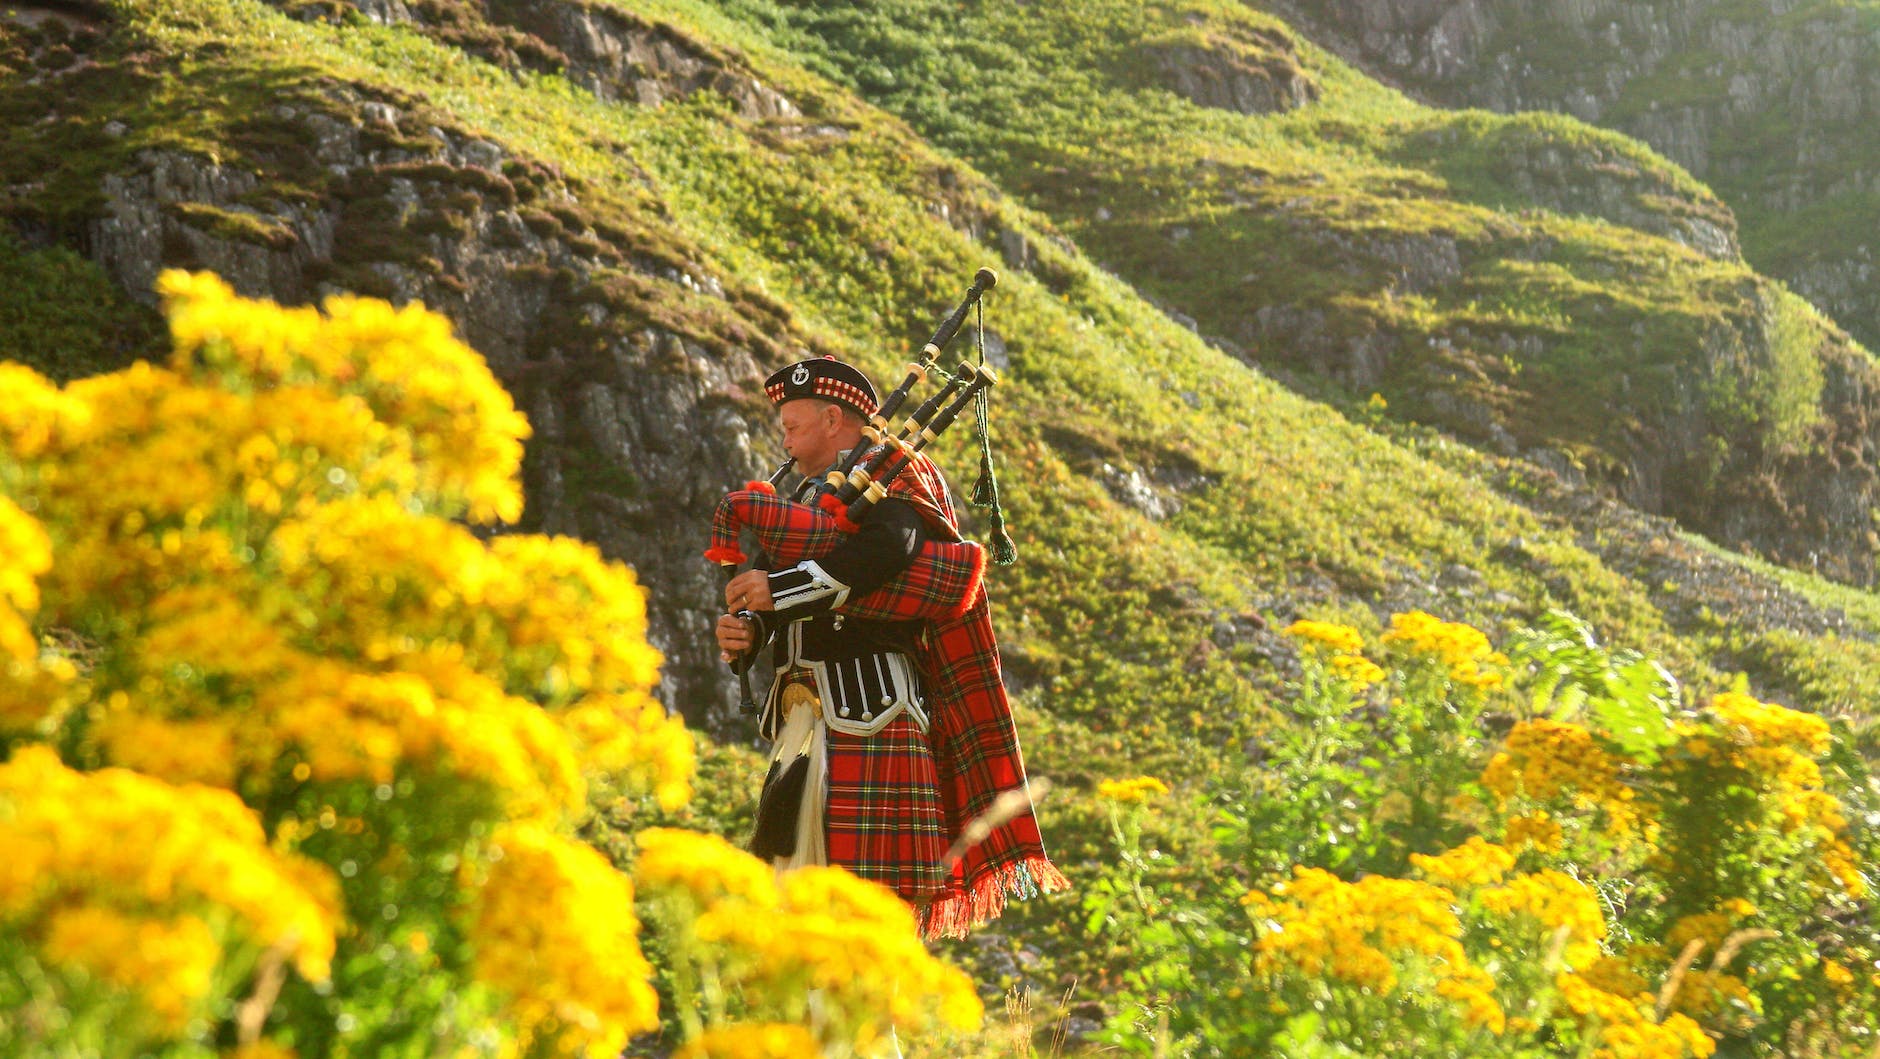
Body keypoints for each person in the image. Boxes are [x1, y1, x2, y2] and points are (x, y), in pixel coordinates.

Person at [715, 354, 1065, 935]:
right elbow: (776, 600)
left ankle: (868, 1027)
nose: (785, 438)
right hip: (804, 723)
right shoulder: (802, 498)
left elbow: (890, 551)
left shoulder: (898, 473)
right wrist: (750, 632)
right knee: (796, 907)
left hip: (874, 715)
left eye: (793, 426)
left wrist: (779, 590)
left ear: (833, 420)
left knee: (864, 912)